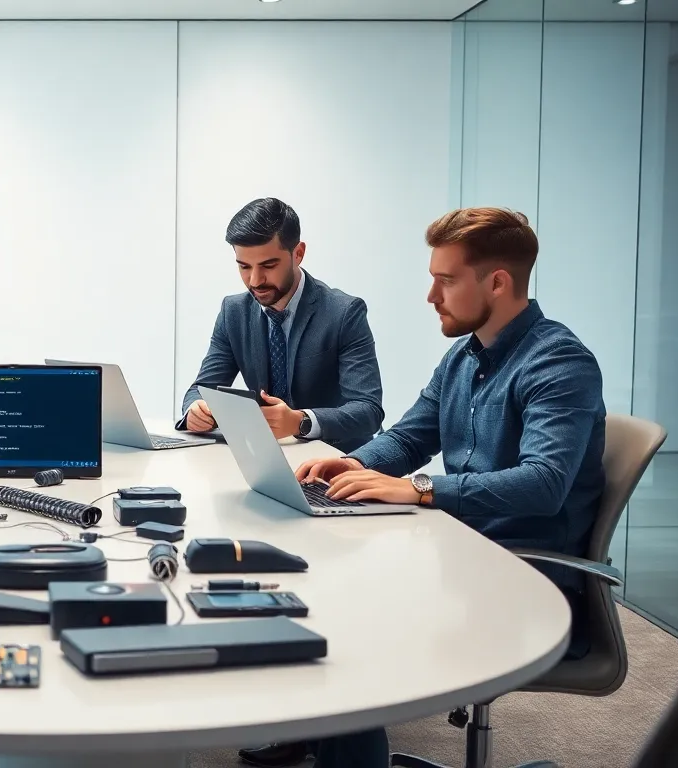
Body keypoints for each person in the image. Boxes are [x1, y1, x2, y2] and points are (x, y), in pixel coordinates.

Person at [239, 207, 606, 768]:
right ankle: (327, 739)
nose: (431, 296)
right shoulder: (463, 356)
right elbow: (410, 437)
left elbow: (544, 484)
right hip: (459, 552)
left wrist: (420, 489)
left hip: (522, 579)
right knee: (318, 582)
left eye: (446, 280)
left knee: (348, 620)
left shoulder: (559, 363)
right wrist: (348, 465)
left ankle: (338, 746)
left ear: (497, 283)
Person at [178, 197, 384, 453]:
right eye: (244, 266)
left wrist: (300, 421)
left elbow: (368, 410)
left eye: (269, 265)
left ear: (298, 254)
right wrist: (195, 409)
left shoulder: (344, 313)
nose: (255, 280)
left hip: (338, 458)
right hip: (265, 455)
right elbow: (201, 389)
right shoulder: (233, 312)